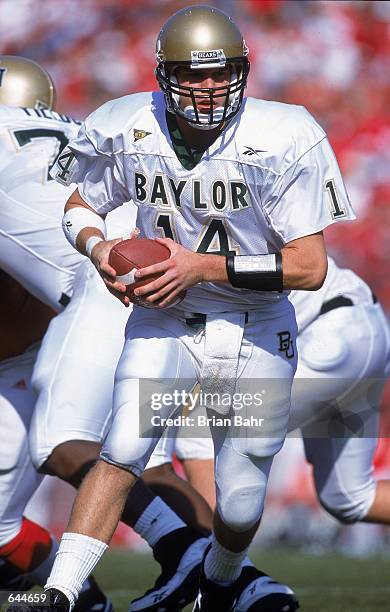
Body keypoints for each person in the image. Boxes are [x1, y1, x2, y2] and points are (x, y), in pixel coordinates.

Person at [43, 5, 355, 611]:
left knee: (239, 499)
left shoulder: (285, 133)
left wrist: (199, 265)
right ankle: (60, 591)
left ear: (242, 71)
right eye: (193, 74)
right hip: (167, 316)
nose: (209, 88)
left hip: (257, 326)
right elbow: (79, 206)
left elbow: (309, 268)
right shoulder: (127, 122)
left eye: (222, 74)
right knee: (123, 448)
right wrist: (100, 246)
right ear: (165, 74)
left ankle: (218, 581)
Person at [0, 55, 215, 612]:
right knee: (139, 456)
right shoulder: (60, 133)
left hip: (102, 280)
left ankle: (196, 558)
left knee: (64, 441)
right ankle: (230, 578)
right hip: (145, 268)